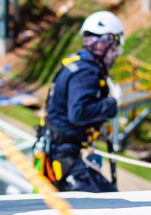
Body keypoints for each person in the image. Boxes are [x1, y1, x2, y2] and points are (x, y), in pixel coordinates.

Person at [38, 10, 124, 193]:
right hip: (65, 155)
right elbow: (79, 113)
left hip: (60, 150)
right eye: (114, 48)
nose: (115, 55)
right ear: (106, 44)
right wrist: (111, 103)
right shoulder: (87, 72)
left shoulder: (77, 62)